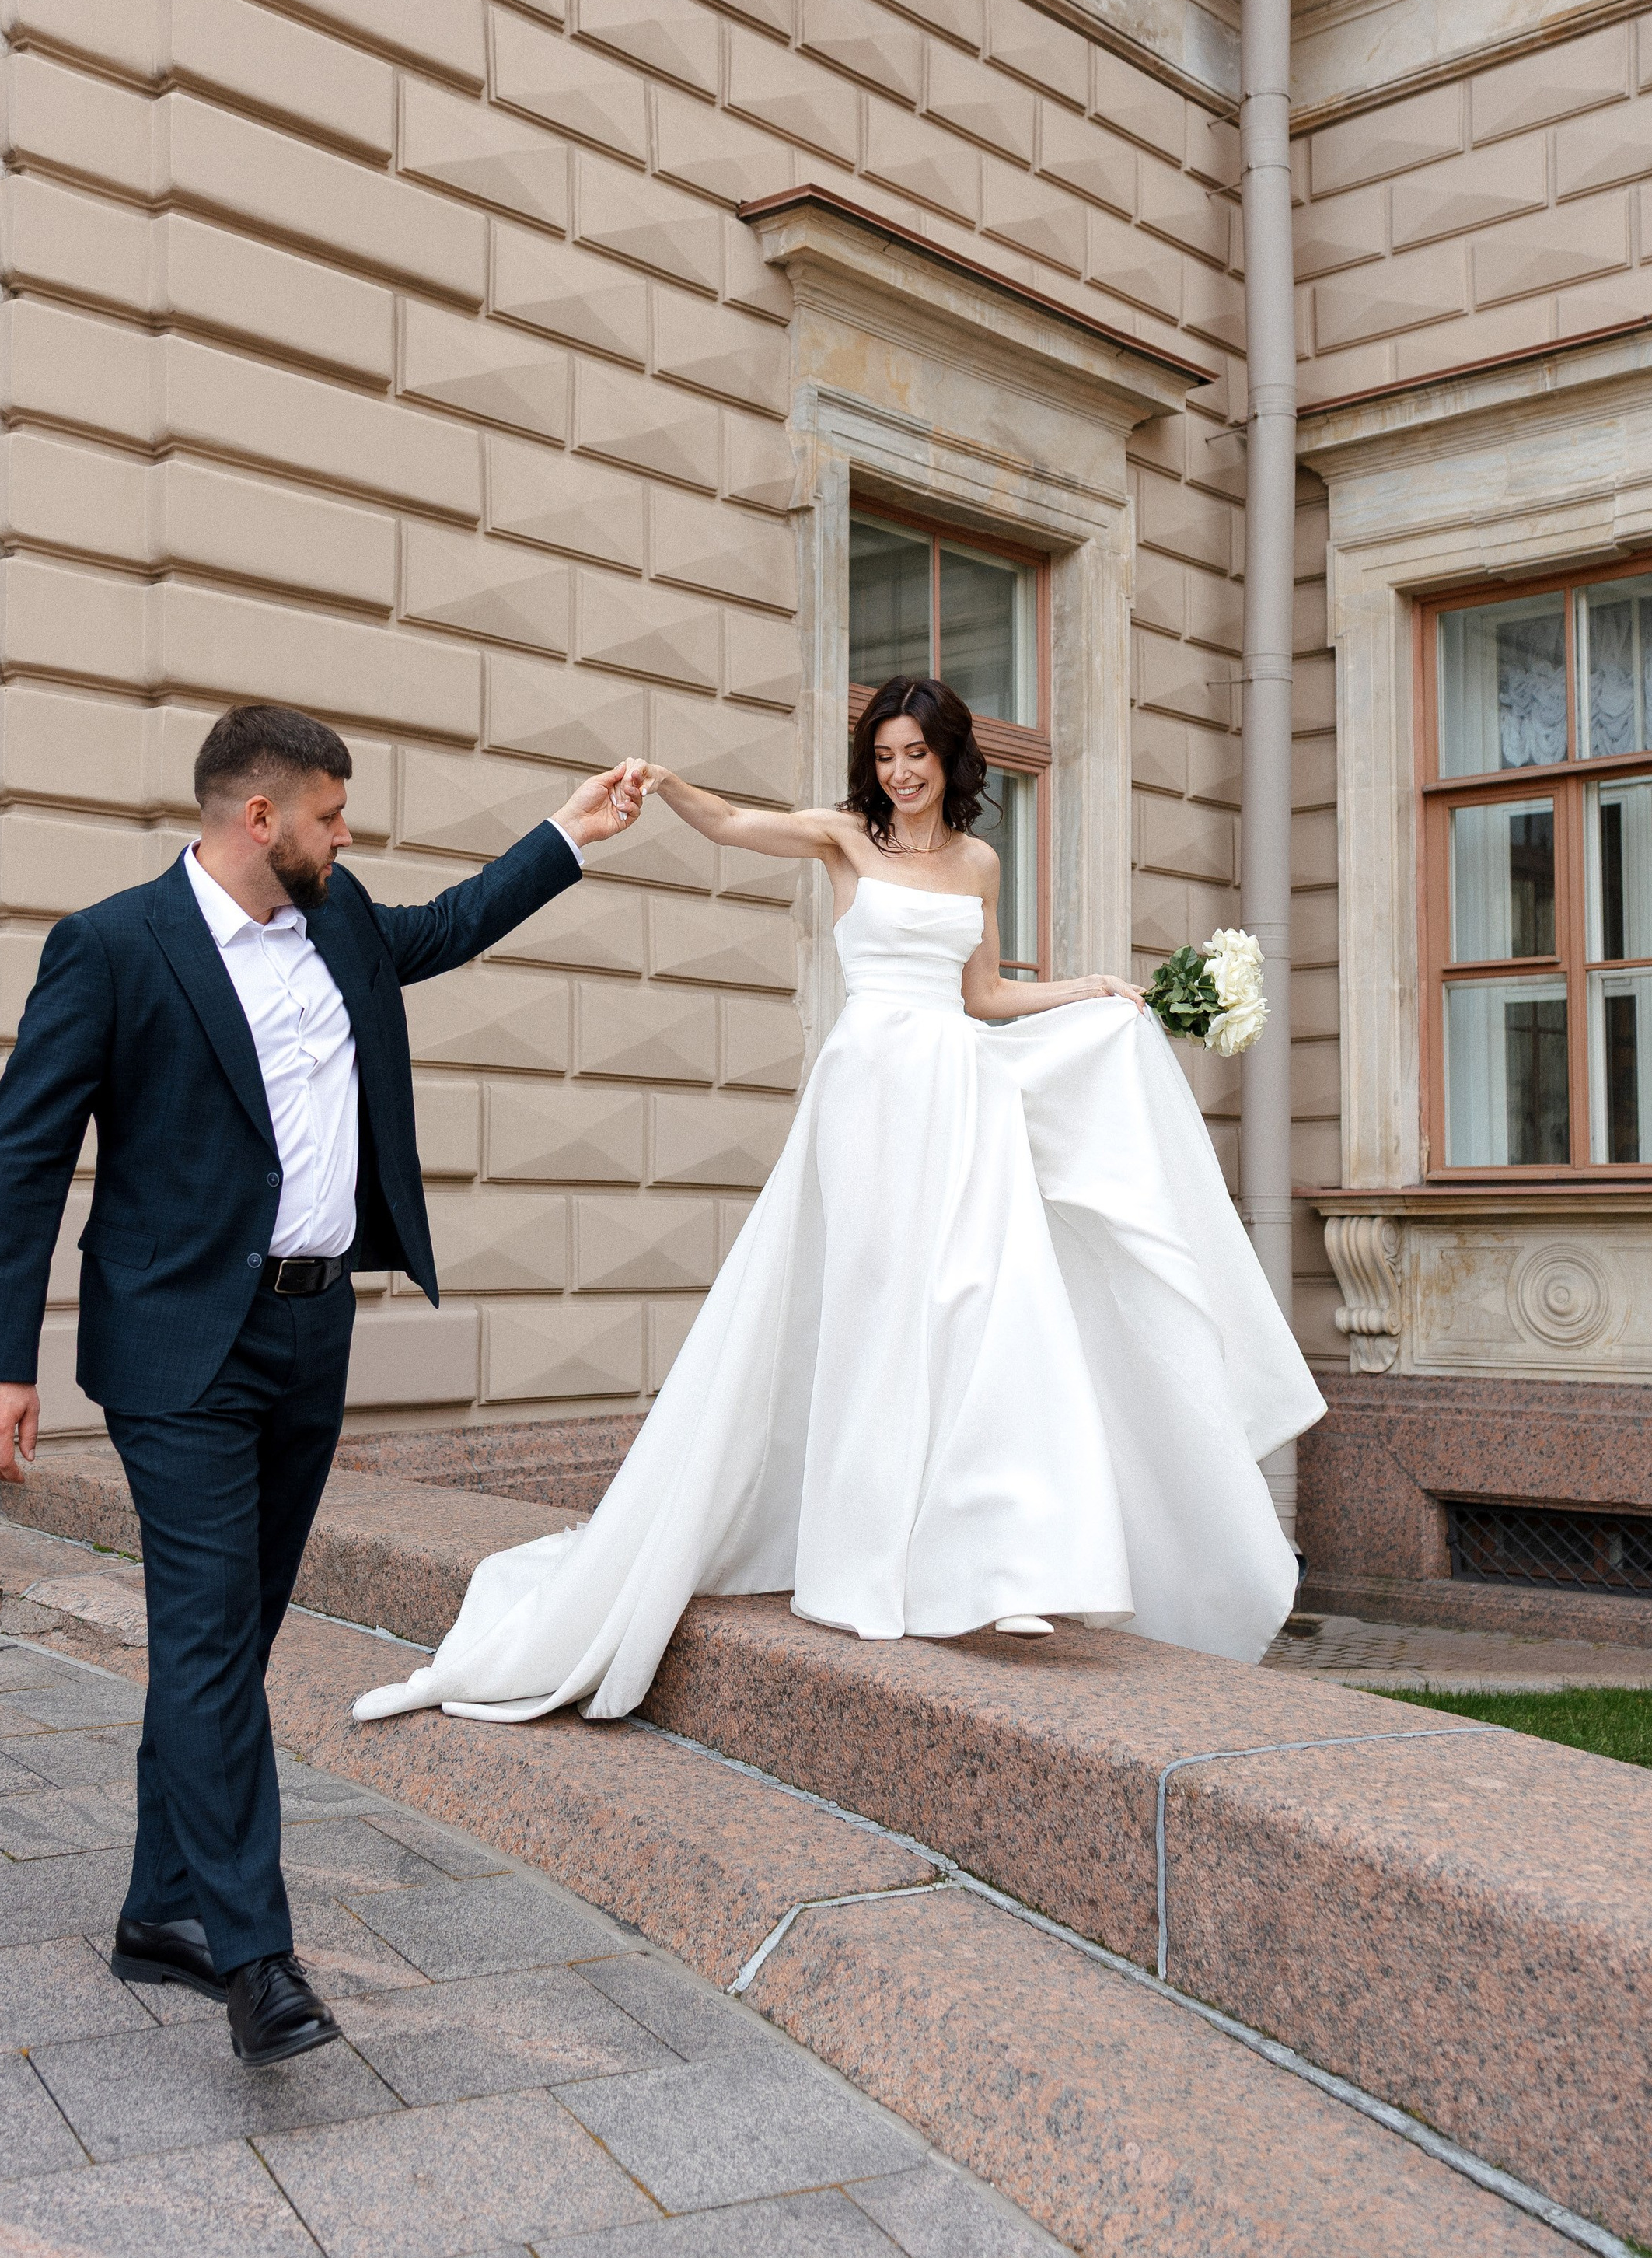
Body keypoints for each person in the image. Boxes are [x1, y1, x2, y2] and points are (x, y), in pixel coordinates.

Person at [354, 675, 1322, 1735]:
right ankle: (862, 1568)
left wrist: (1087, 990)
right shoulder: (843, 841)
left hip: (958, 1100)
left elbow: (985, 999)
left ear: (953, 762)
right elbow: (734, 824)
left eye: (920, 755)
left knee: (978, 1309)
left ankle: (998, 1567)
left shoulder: (981, 863)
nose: (902, 773)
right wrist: (669, 785)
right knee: (874, 1317)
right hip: (868, 1099)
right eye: (889, 754)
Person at [0, 703, 642, 2068]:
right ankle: (257, 1961)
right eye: (332, 813)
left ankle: (161, 1909)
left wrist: (572, 831)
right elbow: (22, 1157)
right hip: (178, 1351)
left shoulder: (338, 923)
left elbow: (446, 926)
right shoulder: (111, 946)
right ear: (257, 818)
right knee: (211, 1636)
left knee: (232, 1636)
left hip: (308, 1337)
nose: (349, 834)